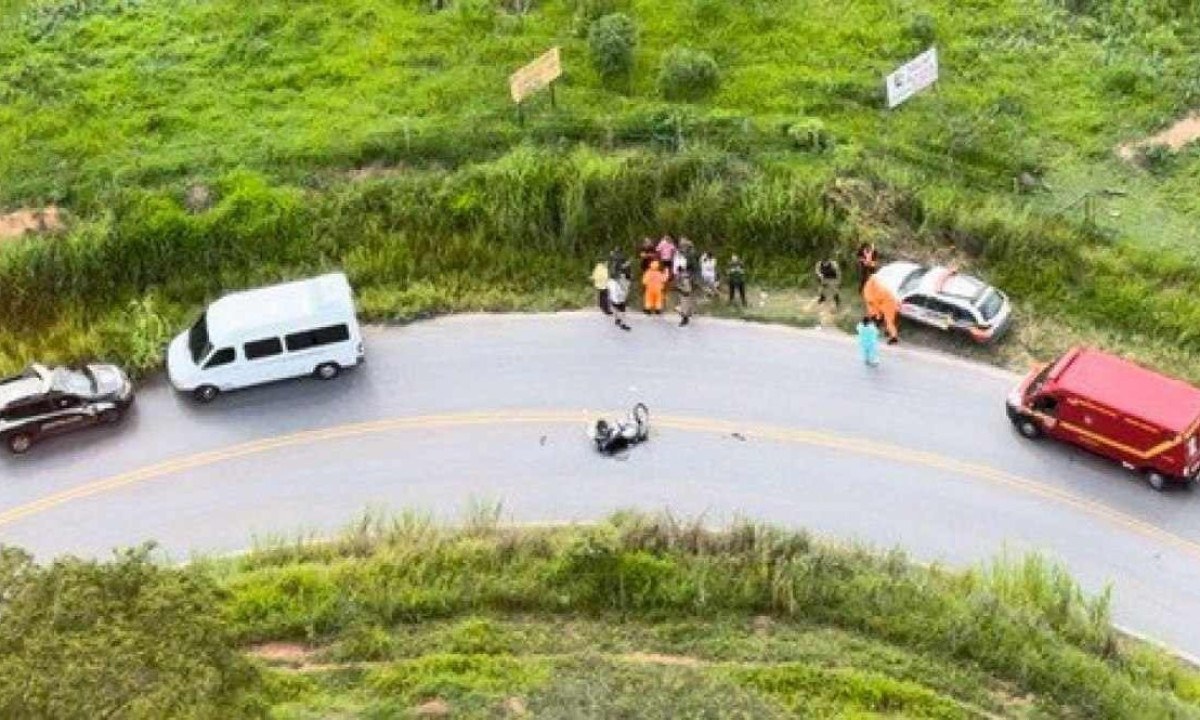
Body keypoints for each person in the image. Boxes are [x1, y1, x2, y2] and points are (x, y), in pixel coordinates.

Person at [862, 273, 900, 344]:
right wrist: (876, 315)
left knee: (888, 320)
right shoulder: (875, 282)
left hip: (887, 302)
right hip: (890, 300)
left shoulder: (868, 290)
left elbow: (872, 304)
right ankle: (890, 333)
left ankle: (893, 336)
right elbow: (874, 305)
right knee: (889, 320)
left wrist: (876, 316)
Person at [607, 263, 632, 331]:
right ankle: (623, 323)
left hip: (614, 297)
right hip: (621, 297)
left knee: (615, 307)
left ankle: (617, 319)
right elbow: (627, 286)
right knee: (622, 310)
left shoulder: (611, 280)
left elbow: (608, 287)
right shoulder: (625, 278)